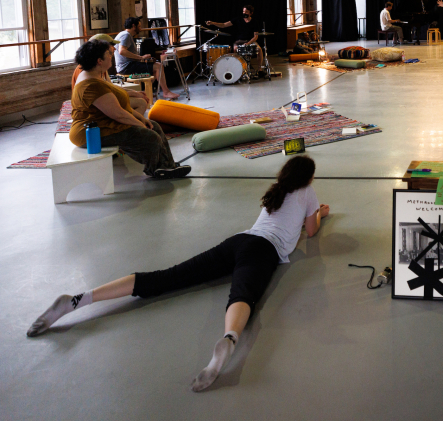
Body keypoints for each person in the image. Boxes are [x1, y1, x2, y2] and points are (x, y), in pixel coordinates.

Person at [26, 156, 330, 392]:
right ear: (308, 178)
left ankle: (79, 299)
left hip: (239, 241)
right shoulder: (308, 192)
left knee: (167, 276)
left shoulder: (275, 192)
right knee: (243, 294)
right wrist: (319, 213)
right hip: (264, 250)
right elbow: (312, 232)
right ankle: (229, 337)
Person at [70, 40, 189, 180]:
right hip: (91, 132)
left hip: (103, 124)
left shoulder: (97, 74)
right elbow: (119, 114)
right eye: (108, 54)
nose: (111, 56)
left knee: (154, 125)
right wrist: (139, 125)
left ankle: (167, 166)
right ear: (99, 60)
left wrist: (142, 119)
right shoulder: (91, 84)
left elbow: (118, 107)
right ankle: (155, 169)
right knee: (149, 136)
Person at [71, 33, 150, 117]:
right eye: (111, 45)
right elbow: (104, 94)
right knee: (141, 103)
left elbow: (111, 87)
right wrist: (134, 94)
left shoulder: (100, 66)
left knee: (140, 101)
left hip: (101, 99)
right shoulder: (87, 70)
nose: (114, 48)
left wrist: (134, 92)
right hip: (93, 107)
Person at [114, 17, 179, 99]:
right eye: (139, 26)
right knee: (158, 66)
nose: (141, 29)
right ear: (134, 26)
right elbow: (122, 51)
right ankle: (166, 92)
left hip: (128, 65)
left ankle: (146, 92)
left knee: (155, 69)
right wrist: (140, 57)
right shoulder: (126, 35)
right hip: (127, 66)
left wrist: (143, 58)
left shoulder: (123, 34)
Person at [206, 5, 265, 73]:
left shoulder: (254, 22)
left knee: (259, 50)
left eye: (246, 12)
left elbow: (255, 37)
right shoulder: (238, 19)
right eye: (243, 11)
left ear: (251, 13)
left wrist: (248, 43)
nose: (244, 13)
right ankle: (238, 69)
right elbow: (224, 25)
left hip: (250, 41)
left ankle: (259, 69)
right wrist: (212, 23)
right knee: (235, 49)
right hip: (239, 41)